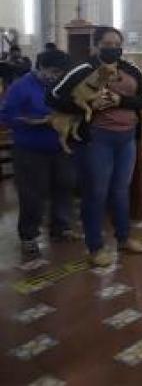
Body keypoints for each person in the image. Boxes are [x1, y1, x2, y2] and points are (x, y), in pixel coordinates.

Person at [48, 26, 142, 267]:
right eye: (107, 44)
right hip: (97, 139)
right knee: (96, 192)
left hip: (126, 138)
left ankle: (123, 238)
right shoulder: (83, 69)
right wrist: (88, 106)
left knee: (120, 191)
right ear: (96, 46)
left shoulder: (130, 69)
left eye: (117, 43)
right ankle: (95, 247)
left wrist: (121, 100)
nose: (113, 48)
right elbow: (53, 96)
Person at [0, 49, 77, 260]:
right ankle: (29, 236)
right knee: (33, 194)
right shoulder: (20, 87)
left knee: (64, 187)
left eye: (61, 73)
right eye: (52, 71)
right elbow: (5, 116)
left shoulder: (61, 86)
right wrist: (34, 120)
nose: (56, 76)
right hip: (30, 150)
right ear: (39, 67)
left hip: (60, 147)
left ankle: (60, 228)